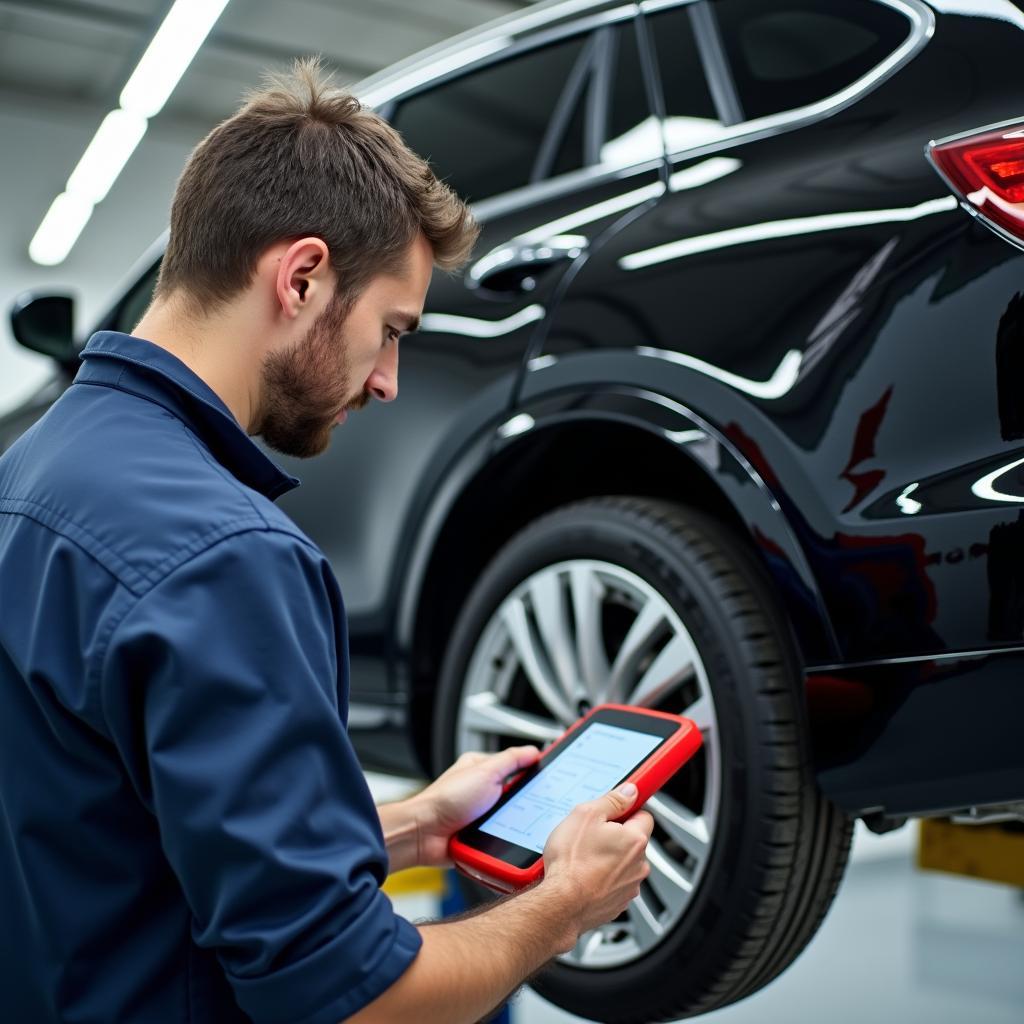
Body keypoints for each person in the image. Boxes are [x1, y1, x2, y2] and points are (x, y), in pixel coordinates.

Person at [0, 59, 653, 1024]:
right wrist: (563, 907)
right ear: (302, 276)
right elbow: (347, 1000)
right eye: (390, 330)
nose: (387, 379)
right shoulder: (225, 557)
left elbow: (117, 841)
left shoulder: (28, 475)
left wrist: (414, 827)